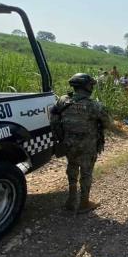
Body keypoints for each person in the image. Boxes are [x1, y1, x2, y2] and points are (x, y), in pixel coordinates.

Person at [53, 73, 112, 213]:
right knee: (86, 173)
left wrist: (61, 137)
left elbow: (54, 119)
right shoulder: (94, 106)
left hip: (68, 144)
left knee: (72, 169)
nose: (92, 86)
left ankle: (71, 201)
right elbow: (108, 123)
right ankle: (84, 203)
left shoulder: (62, 101)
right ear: (86, 86)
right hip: (87, 146)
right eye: (91, 84)